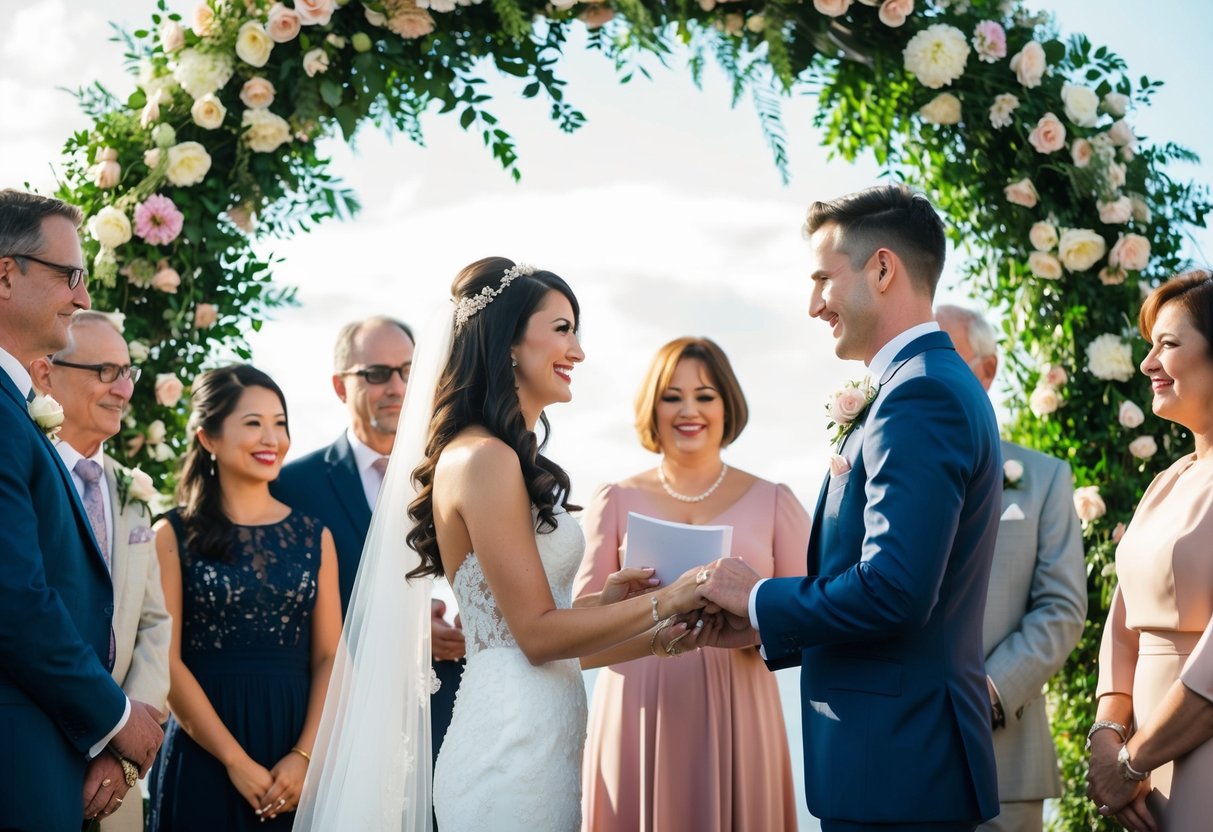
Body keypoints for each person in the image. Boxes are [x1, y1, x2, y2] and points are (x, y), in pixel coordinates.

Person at [294, 257, 707, 832]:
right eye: (562, 329)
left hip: (541, 740)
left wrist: (649, 633)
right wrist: (675, 596)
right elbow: (537, 637)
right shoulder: (484, 459)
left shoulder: (505, 457)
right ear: (509, 344)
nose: (579, 351)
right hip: (509, 750)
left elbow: (520, 637)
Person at [696, 185, 1002, 831]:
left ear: (882, 268)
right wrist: (764, 625)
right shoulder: (918, 386)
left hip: (898, 766)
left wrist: (758, 599)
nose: (812, 305)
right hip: (895, 761)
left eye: (822, 279)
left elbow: (894, 590)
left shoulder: (919, 397)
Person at [573, 335, 809, 831]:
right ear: (652, 407)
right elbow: (578, 630)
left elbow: (811, 616)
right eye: (672, 396)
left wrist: (751, 614)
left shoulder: (775, 501)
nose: (689, 410)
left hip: (740, 708)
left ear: (728, 406)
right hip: (636, 709)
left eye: (705, 396)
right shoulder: (614, 499)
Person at [0, 189, 163, 831]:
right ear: (6, 274)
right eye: (69, 275)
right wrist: (115, 718)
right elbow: (14, 598)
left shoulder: (16, 415)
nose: (83, 295)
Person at [147, 365, 342, 830]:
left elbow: (330, 655)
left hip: (294, 750)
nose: (271, 437)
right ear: (208, 438)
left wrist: (304, 755)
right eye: (253, 423)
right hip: (205, 749)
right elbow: (166, 662)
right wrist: (234, 760)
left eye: (280, 423)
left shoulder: (316, 537)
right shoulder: (171, 533)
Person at [273, 316, 464, 777]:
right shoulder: (291, 486)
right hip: (342, 722)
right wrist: (408, 632)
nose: (397, 386)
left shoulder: (461, 471)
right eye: (377, 374)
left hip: (447, 715)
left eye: (409, 372)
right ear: (341, 387)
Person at [935, 305, 1087, 832]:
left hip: (1004, 761)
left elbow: (1062, 607)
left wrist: (989, 691)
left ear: (988, 369)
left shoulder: (1042, 479)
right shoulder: (873, 471)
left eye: (944, 356)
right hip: (894, 759)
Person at [29, 310, 173, 832]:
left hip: (119, 777)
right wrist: (106, 719)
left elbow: (155, 625)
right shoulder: (24, 468)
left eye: (127, 372)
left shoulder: (132, 492)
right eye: (105, 372)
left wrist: (126, 741)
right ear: (47, 370)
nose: (123, 389)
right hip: (32, 744)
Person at [1086, 269, 1213, 832]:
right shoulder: (1168, 480)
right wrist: (1108, 735)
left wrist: (1134, 759)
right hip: (1139, 765)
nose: (1146, 363)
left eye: (1168, 344)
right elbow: (1122, 623)